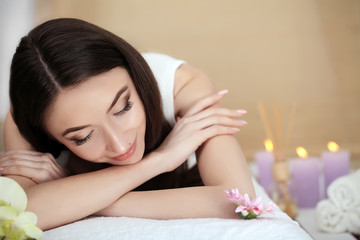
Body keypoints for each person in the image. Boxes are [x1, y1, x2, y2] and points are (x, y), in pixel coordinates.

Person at [0, 18, 255, 230]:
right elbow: (20, 213)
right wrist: (159, 161)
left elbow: (239, 203)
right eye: (83, 137)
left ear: (135, 75)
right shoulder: (22, 123)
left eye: (123, 108)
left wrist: (74, 194)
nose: (120, 144)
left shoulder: (181, 85)